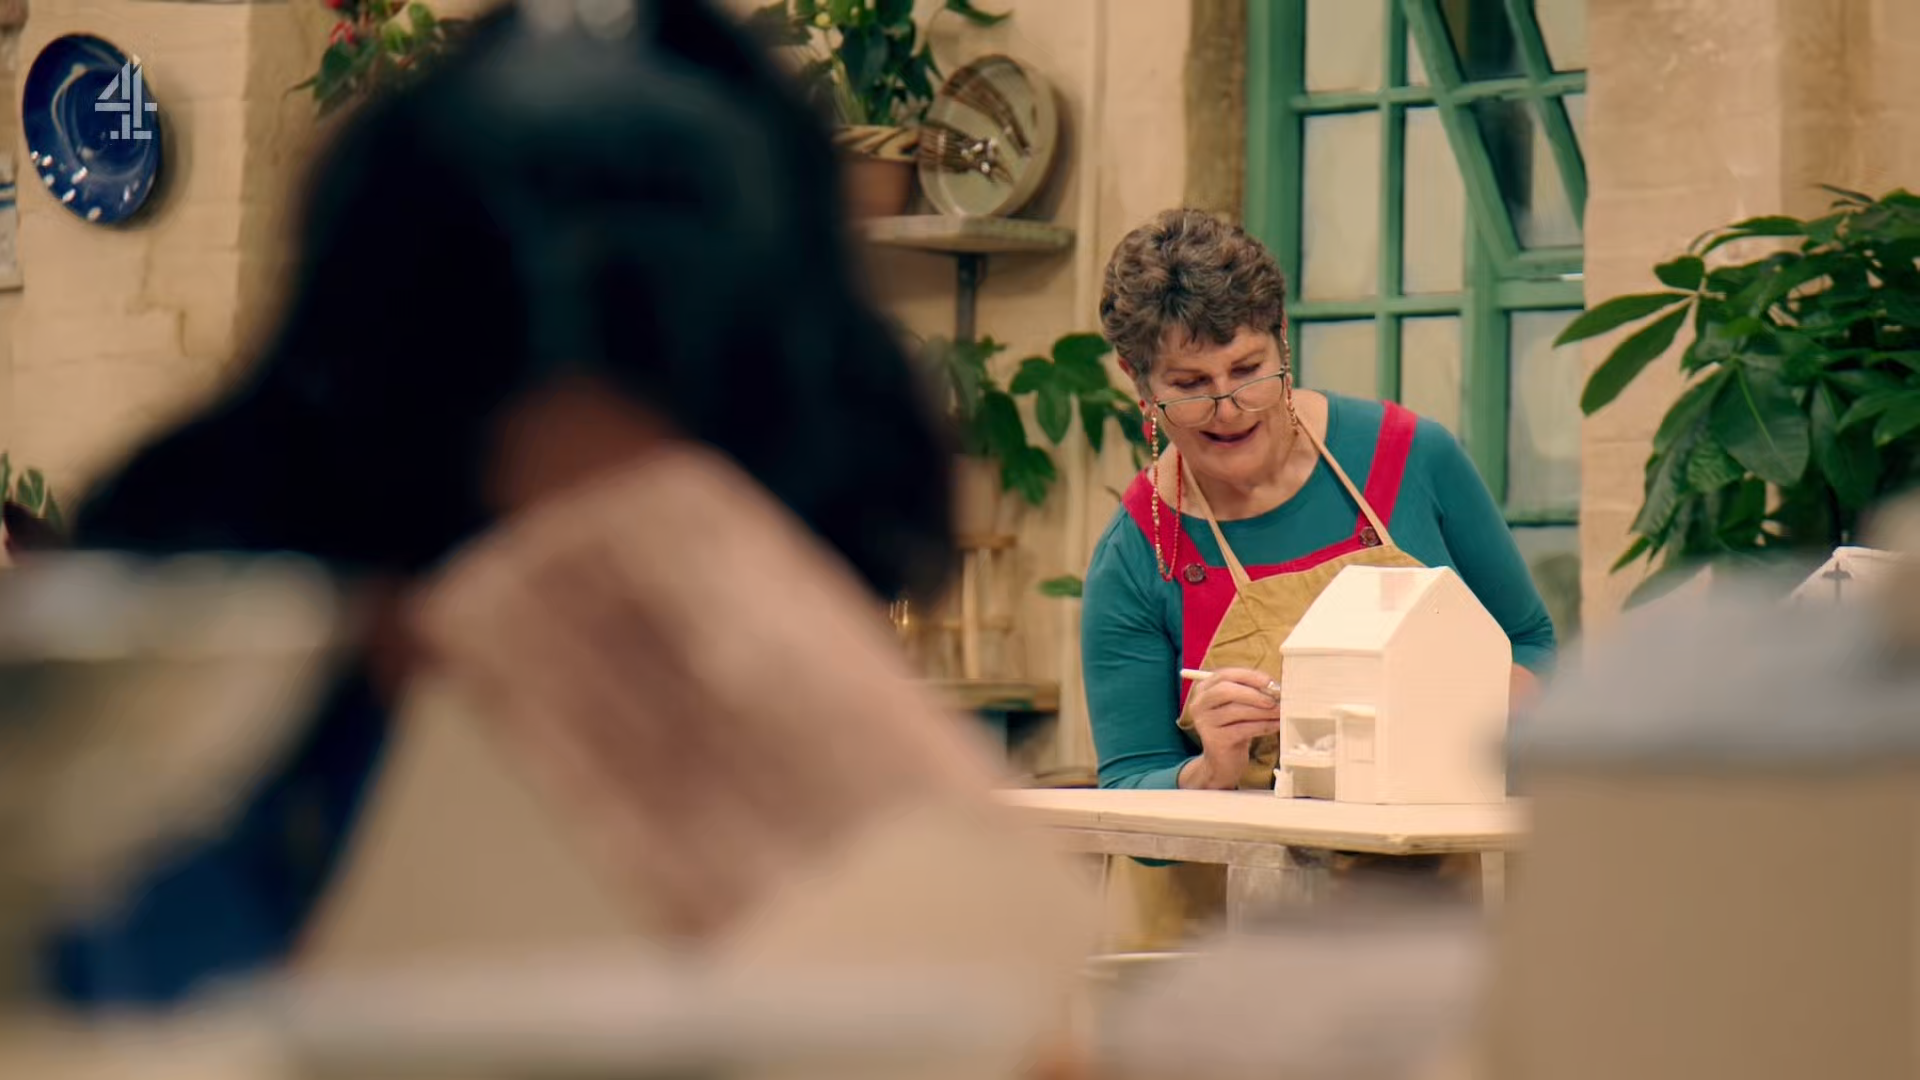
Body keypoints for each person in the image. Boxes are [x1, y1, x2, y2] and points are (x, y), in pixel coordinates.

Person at [41, 0, 958, 1007]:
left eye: (655, 583)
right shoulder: (166, 776)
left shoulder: (787, 725)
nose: (565, 651)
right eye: (491, 557)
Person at [1083, 208, 1556, 795]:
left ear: (1281, 337)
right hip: (1244, 857)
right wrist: (1207, 771)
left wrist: (1474, 709)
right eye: (1190, 385)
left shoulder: (1411, 458)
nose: (1229, 409)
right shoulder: (1138, 551)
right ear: (1136, 377)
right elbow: (1128, 781)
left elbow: (1531, 642)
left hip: (1446, 842)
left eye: (1248, 369)